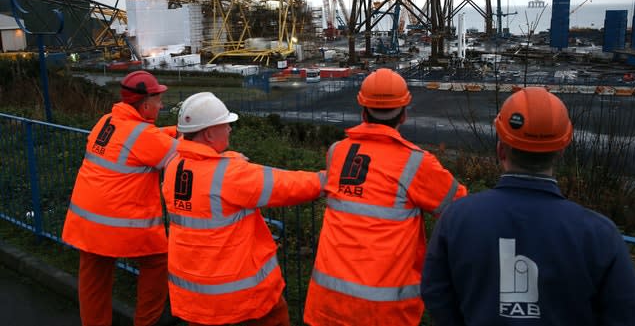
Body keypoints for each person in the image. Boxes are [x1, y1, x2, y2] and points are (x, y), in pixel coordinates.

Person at [421, 86, 635, 325]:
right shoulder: (600, 235)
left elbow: (436, 293)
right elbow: (626, 313)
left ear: (500, 149)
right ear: (561, 152)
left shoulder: (456, 220)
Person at [304, 68, 467, 325]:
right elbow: (462, 211)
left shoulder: (337, 153)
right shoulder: (417, 163)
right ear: (403, 114)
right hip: (383, 313)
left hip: (327, 305)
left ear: (363, 111)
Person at [161, 92, 326, 326]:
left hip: (195, 297)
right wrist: (329, 179)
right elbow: (288, 186)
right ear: (209, 133)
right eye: (226, 125)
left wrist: (227, 157)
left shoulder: (173, 165)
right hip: (240, 301)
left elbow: (201, 167)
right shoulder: (229, 175)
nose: (230, 129)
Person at [62, 70, 179, 326]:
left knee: (94, 282)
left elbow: (145, 139)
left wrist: (174, 130)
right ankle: (145, 322)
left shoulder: (107, 121)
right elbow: (180, 154)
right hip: (120, 224)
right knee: (158, 261)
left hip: (86, 221)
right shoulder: (144, 136)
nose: (161, 105)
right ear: (146, 104)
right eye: (159, 100)